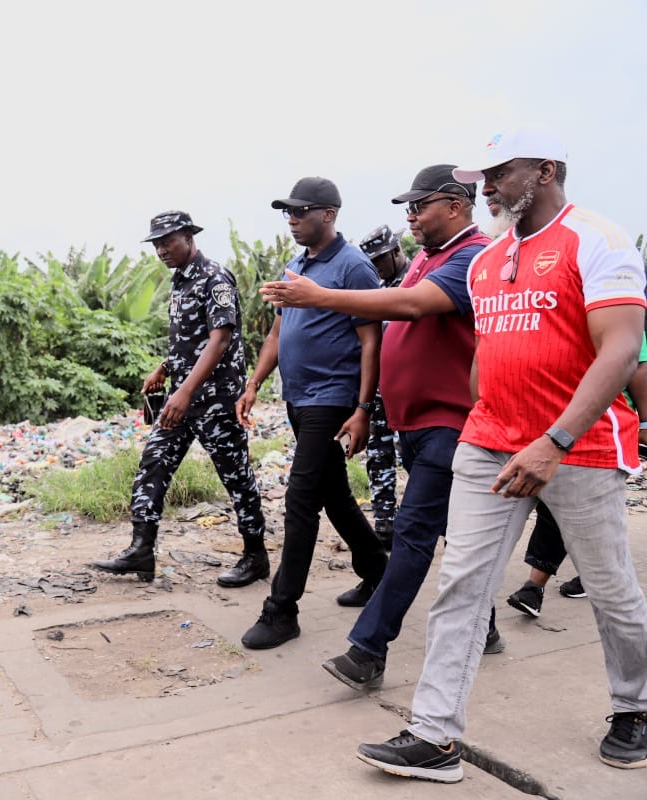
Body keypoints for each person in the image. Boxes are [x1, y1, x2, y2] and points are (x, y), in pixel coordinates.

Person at [358, 129, 647, 782]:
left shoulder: (597, 239)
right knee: (462, 583)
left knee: (610, 591)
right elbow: (488, 353)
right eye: (479, 175)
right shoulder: (489, 262)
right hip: (490, 444)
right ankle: (434, 737)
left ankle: (637, 706)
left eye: (498, 173)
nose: (484, 186)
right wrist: (480, 419)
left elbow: (621, 350)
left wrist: (554, 441)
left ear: (544, 172)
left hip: (581, 448)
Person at [260, 164, 498, 683]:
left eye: (420, 205)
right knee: (456, 531)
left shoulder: (472, 256)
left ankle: (367, 650)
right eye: (406, 207)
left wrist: (318, 297)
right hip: (412, 423)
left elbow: (409, 308)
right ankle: (489, 623)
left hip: (449, 420)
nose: (410, 215)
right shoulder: (426, 259)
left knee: (412, 534)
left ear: (456, 206)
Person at [237, 178, 389, 650]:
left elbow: (372, 341)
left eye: (300, 211)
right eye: (288, 212)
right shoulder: (295, 266)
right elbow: (278, 335)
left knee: (301, 498)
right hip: (298, 398)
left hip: (333, 398)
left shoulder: (354, 267)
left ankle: (282, 609)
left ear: (329, 214)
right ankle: (379, 572)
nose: (292, 219)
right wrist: (254, 381)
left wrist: (363, 408)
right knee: (334, 494)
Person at [90, 211, 269, 588]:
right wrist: (165, 369)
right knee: (153, 463)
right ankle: (141, 550)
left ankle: (256, 555)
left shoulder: (214, 278)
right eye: (156, 244)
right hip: (181, 399)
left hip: (216, 400)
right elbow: (190, 340)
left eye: (168, 241)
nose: (161, 249)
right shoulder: (180, 281)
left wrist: (185, 390)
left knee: (235, 476)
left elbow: (219, 340)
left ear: (188, 236)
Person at [507, 351, 647, 616]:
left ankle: (538, 586)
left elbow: (639, 366)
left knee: (563, 513)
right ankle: (545, 585)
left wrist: (645, 421)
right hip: (556, 424)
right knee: (561, 514)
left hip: (600, 433)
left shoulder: (615, 314)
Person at [358, 225, 411, 547]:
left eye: (380, 259)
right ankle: (385, 523)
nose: (376, 266)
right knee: (379, 458)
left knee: (414, 459)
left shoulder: (418, 282)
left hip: (410, 391)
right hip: (379, 392)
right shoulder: (375, 286)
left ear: (395, 251)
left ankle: (421, 523)